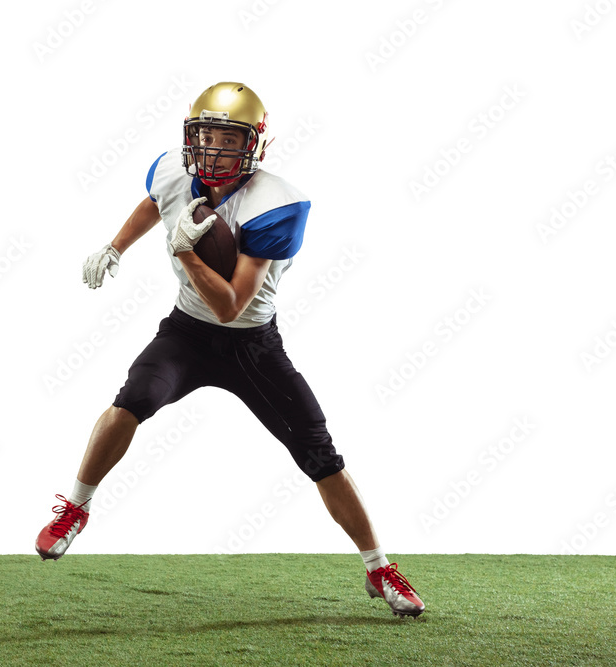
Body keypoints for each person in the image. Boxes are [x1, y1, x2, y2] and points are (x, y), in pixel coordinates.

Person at [36, 82, 425, 617]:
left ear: (254, 143)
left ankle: (379, 568)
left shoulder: (277, 203)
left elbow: (232, 308)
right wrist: (115, 245)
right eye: (207, 135)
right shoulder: (173, 166)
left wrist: (187, 255)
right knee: (132, 400)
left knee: (319, 453)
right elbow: (157, 202)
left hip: (251, 344)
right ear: (191, 135)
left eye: (228, 137)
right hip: (186, 334)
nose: (215, 148)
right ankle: (75, 509)